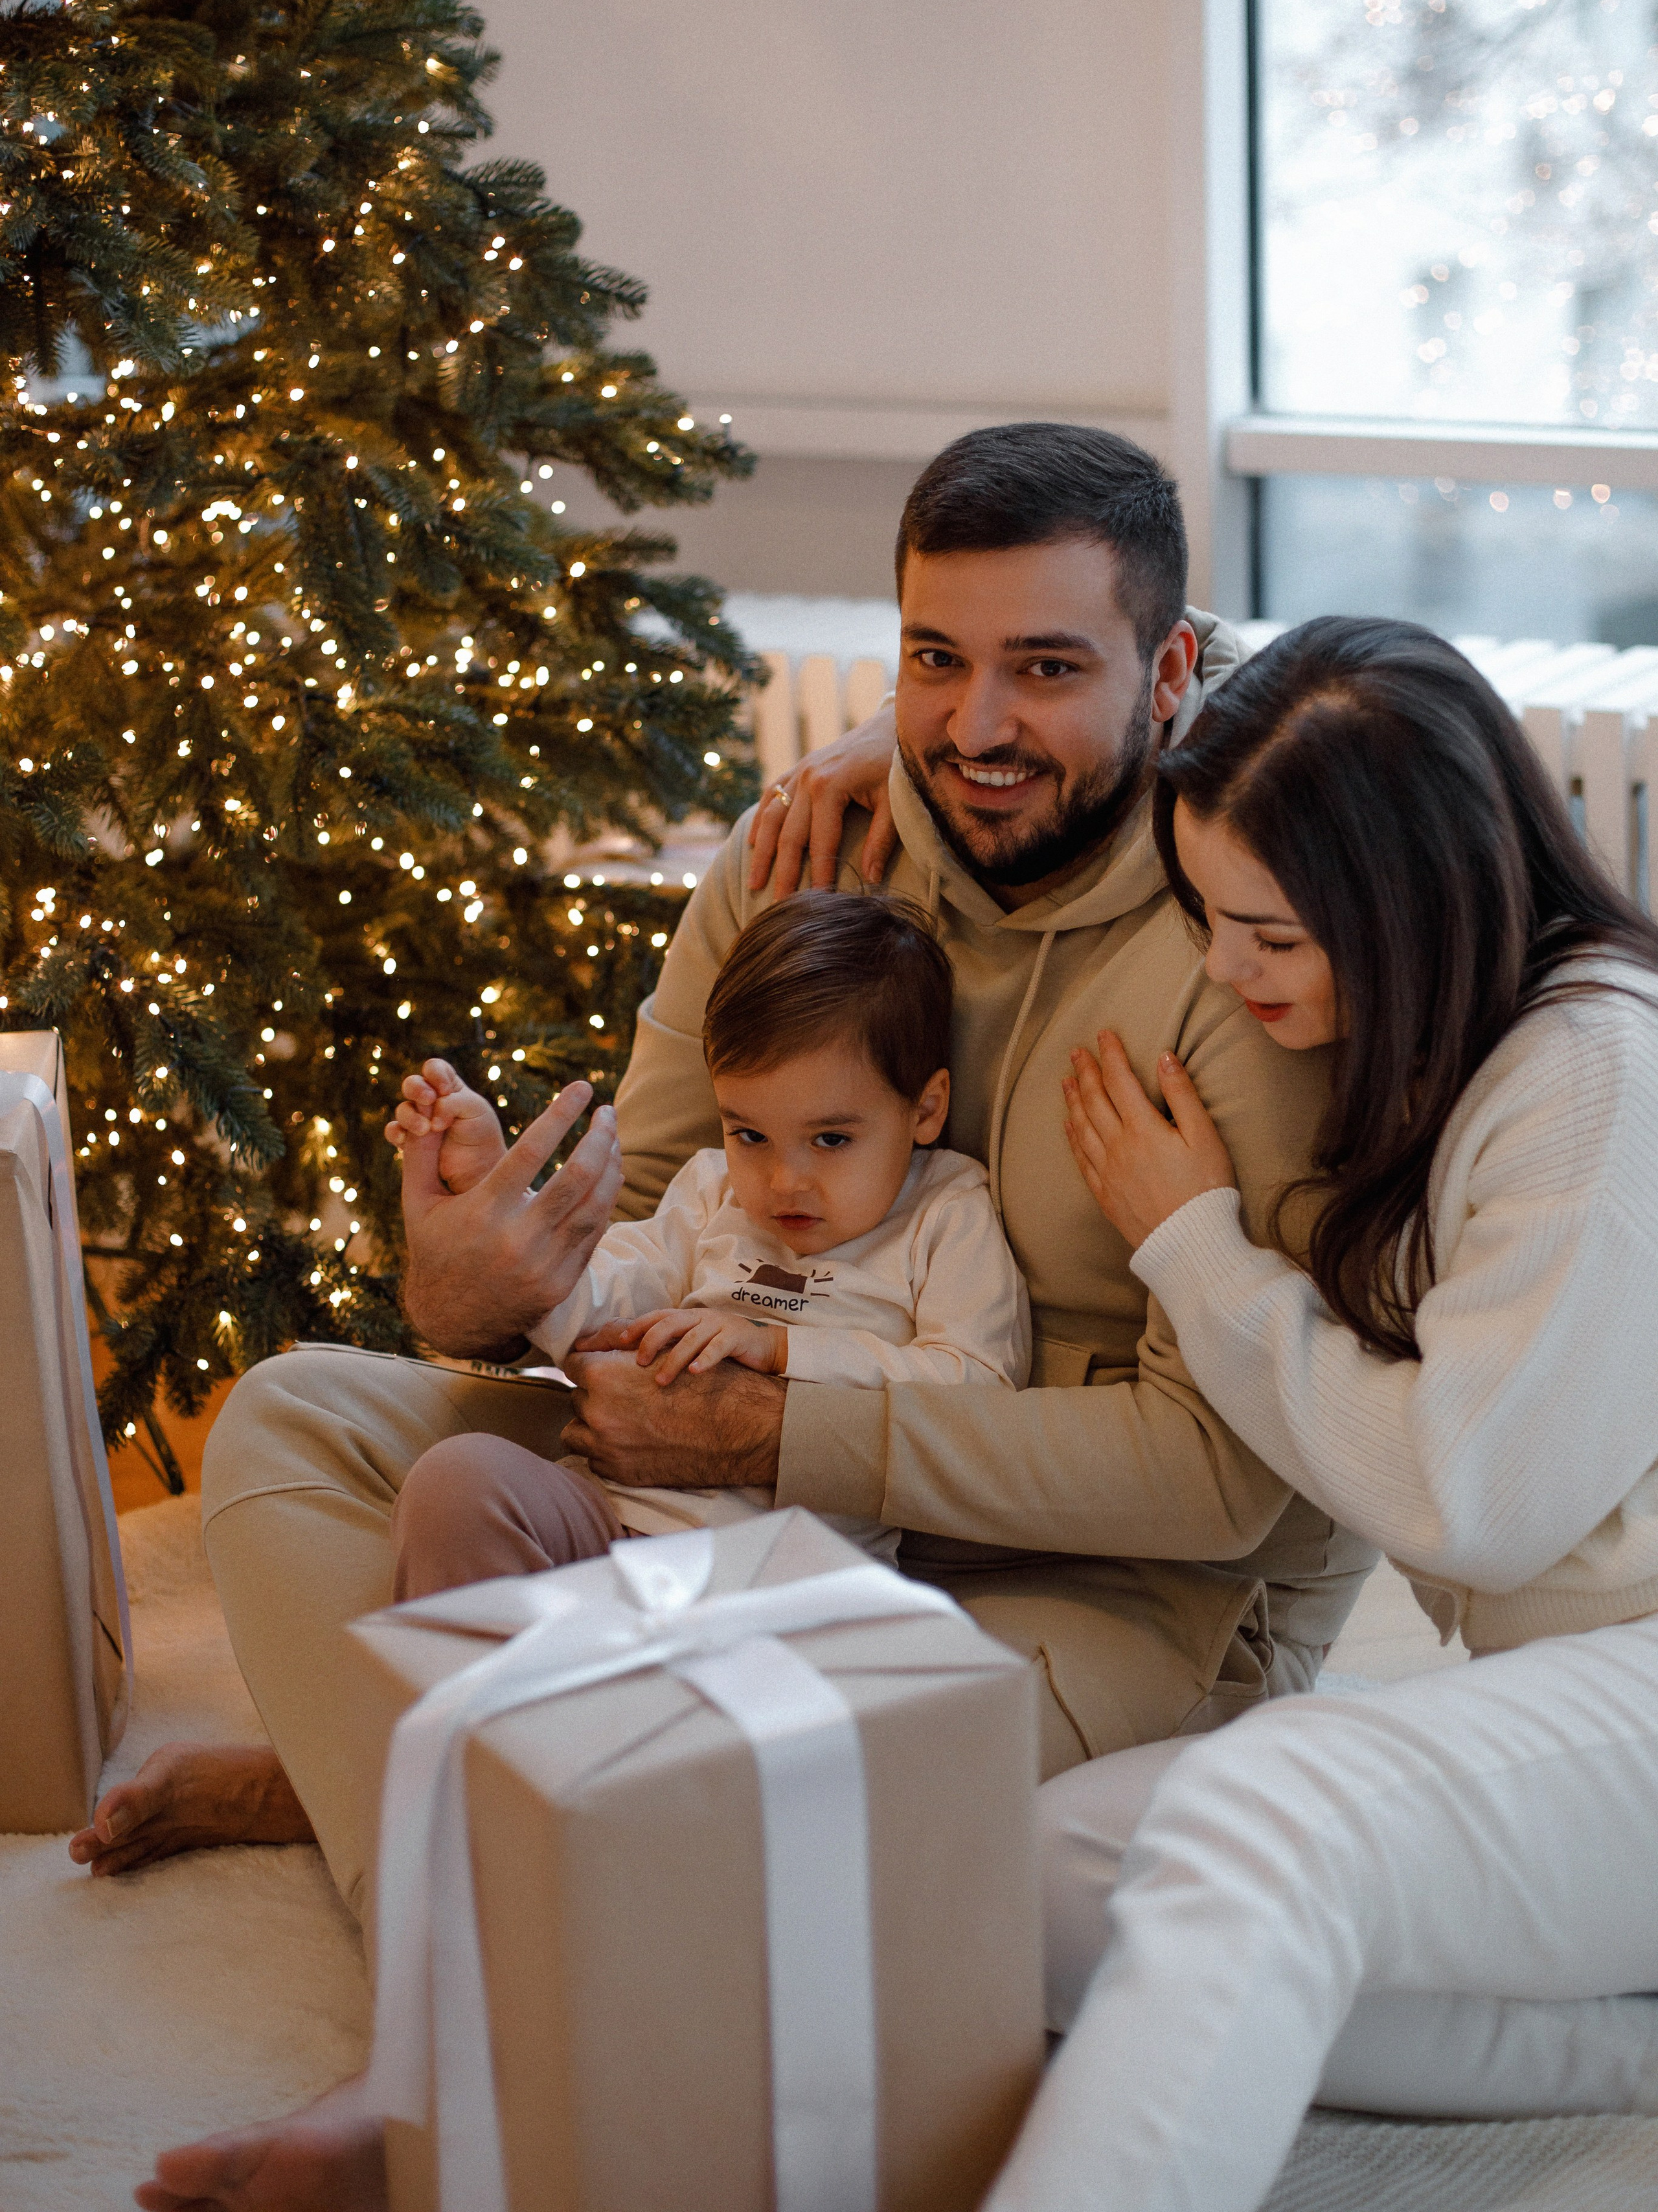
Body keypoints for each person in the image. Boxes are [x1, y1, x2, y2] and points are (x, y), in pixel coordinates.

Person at [121, 424, 1371, 2211]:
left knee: (733, 1789)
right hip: (736, 1487)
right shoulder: (812, 851)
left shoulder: (1246, 939)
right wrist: (490, 1287)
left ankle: (414, 1964)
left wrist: (789, 1427)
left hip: (1099, 1585)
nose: (979, 727)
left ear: (1171, 674)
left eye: (1049, 667)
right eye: (936, 661)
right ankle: (430, 1836)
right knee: (299, 1421)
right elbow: (645, 1221)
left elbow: (1223, 1488)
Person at [980, 615, 1658, 2212]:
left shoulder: (1587, 1077)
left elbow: (1467, 1501)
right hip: (1563, 1699)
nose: (1222, 969)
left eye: (1267, 935)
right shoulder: (1450, 1039)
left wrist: (1189, 1247)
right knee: (1025, 1880)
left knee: (1265, 1806)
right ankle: (1622, 2051)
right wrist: (888, 757)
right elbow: (1165, 645)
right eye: (1209, 916)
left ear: (1409, 902)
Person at [385, 888, 1030, 1591]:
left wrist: (784, 1348)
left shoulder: (947, 1209)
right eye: (749, 1134)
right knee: (458, 1477)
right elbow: (596, 1303)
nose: (784, 1181)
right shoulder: (710, 1191)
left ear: (925, 1109)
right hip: (610, 1519)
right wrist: (499, 1204)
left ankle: (588, 1686)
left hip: (785, 1569)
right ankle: (507, 1689)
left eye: (832, 1139)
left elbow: (978, 1394)